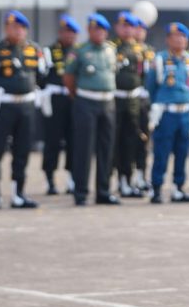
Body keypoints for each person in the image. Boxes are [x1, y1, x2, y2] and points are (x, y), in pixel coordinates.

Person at [0, 10, 46, 210]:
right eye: (11, 27)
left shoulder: (34, 50)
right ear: (6, 29)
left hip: (26, 106)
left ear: (25, 30)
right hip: (4, 106)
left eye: (19, 27)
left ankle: (18, 194)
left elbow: (41, 77)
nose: (15, 31)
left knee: (22, 151)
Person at [64, 14, 120, 206]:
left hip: (108, 103)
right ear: (89, 31)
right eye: (95, 29)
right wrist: (77, 95)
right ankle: (81, 193)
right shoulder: (79, 51)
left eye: (102, 30)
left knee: (107, 149)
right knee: (84, 149)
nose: (99, 33)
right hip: (86, 101)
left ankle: (103, 191)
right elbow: (69, 77)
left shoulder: (111, 50)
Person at [146, 22, 189, 204]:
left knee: (182, 151)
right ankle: (156, 188)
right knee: (161, 151)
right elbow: (151, 87)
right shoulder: (159, 59)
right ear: (168, 39)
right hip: (166, 113)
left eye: (182, 36)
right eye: (175, 36)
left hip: (185, 113)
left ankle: (178, 187)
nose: (179, 40)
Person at [39, 15, 79, 195]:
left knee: (74, 140)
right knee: (52, 140)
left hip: (73, 99)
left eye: (72, 33)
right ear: (60, 32)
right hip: (54, 98)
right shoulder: (48, 51)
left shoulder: (78, 52)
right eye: (66, 32)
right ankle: (49, 179)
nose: (69, 36)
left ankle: (72, 178)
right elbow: (40, 75)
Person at [112, 12, 147, 198]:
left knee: (131, 140)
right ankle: (118, 180)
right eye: (123, 26)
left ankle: (128, 179)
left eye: (130, 26)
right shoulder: (111, 47)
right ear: (117, 28)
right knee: (115, 142)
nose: (126, 29)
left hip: (134, 101)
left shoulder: (140, 50)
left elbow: (142, 76)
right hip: (116, 100)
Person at [132, 18, 155, 194]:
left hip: (144, 101)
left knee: (143, 140)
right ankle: (126, 177)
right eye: (136, 29)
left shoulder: (149, 52)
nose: (139, 32)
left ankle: (141, 175)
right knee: (125, 141)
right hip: (127, 100)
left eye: (142, 29)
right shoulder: (122, 49)